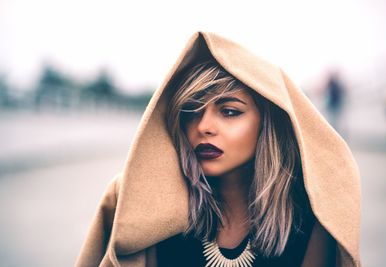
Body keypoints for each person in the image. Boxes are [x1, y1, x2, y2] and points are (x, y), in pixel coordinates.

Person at [75, 31, 361, 267]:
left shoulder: (313, 217)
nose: (204, 126)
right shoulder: (143, 210)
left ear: (268, 124)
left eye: (229, 111)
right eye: (191, 111)